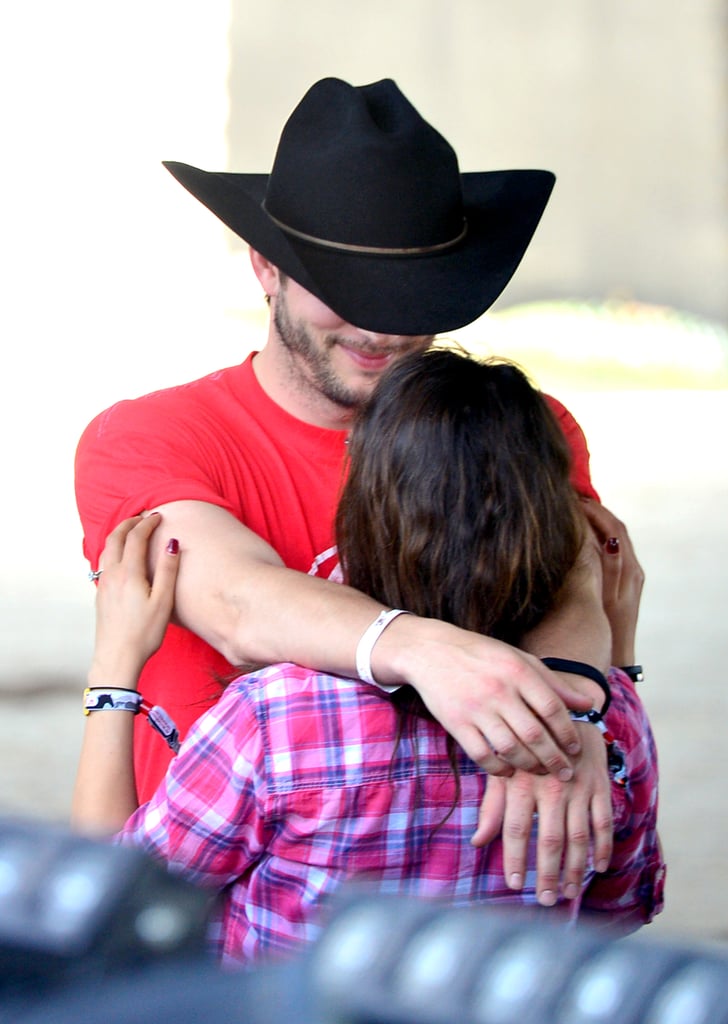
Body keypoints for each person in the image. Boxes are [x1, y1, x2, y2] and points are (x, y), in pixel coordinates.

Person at [75, 76, 616, 894]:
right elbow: (235, 604)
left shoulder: (520, 425)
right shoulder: (149, 437)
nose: (381, 326)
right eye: (345, 290)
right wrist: (428, 651)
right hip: (199, 905)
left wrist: (571, 716)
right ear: (265, 266)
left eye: (410, 292)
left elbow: (579, 576)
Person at [72, 350, 664, 967]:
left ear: (360, 515)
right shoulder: (599, 717)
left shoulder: (273, 723)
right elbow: (619, 910)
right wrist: (618, 667)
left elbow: (104, 907)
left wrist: (114, 667)